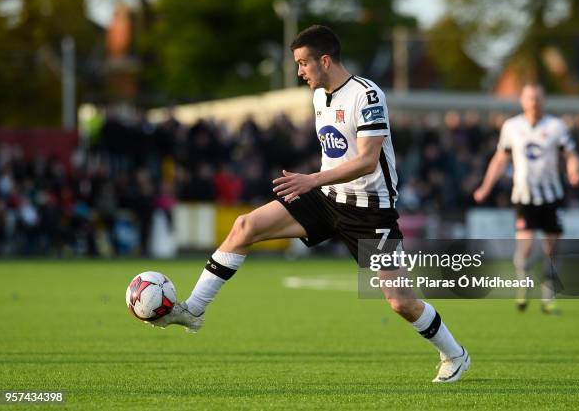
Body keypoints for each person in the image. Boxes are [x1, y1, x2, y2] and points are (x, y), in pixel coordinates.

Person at [152, 25, 470, 383]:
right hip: (326, 198)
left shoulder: (367, 95)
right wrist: (316, 183)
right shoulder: (319, 96)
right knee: (244, 226)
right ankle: (194, 310)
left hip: (370, 211)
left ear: (325, 59)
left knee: (400, 302)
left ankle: (455, 354)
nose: (299, 71)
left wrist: (312, 179)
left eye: (303, 63)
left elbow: (367, 160)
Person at [473, 83, 579, 313]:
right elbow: (500, 159)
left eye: (538, 98)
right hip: (524, 197)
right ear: (522, 101)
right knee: (525, 248)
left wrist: (574, 170)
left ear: (544, 100)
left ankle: (548, 298)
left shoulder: (556, 126)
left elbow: (571, 154)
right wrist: (485, 186)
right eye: (530, 98)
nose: (534, 102)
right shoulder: (512, 126)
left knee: (552, 248)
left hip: (552, 196)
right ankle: (523, 284)